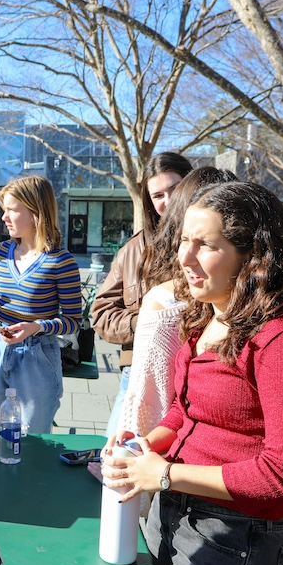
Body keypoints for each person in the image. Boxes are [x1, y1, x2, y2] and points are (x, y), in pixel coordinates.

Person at [101, 181, 283, 565]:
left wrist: (161, 475)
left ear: (253, 256)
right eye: (184, 239)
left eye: (206, 244)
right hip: (174, 515)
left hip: (234, 541)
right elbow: (186, 413)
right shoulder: (208, 317)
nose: (184, 256)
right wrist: (146, 443)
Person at [115, 167, 237, 438]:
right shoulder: (163, 299)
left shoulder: (261, 317)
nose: (166, 201)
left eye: (206, 243)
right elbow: (155, 412)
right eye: (158, 194)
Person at [0, 175, 82, 435]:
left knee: (32, 440)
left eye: (12, 210)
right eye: (4, 210)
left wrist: (36, 327)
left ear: (36, 212)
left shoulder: (61, 262)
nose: (4, 217)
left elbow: (74, 320)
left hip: (38, 357)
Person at [92, 151, 193, 438]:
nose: (168, 202)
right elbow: (101, 313)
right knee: (118, 460)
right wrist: (146, 323)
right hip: (139, 374)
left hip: (196, 378)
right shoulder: (132, 251)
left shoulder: (218, 241)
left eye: (175, 189)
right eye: (158, 195)